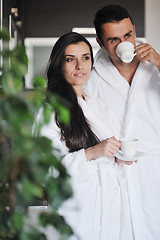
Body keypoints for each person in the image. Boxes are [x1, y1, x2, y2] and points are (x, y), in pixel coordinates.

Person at [33, 32, 140, 240]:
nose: (80, 66)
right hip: (77, 215)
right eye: (70, 59)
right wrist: (91, 153)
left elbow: (103, 158)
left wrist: (116, 156)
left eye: (85, 58)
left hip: (109, 212)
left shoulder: (96, 104)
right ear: (59, 65)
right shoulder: (50, 111)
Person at [87, 4, 160, 240]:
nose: (123, 44)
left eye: (128, 35)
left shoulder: (155, 67)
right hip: (111, 178)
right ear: (100, 42)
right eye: (113, 40)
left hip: (153, 175)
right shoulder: (91, 75)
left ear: (135, 30)